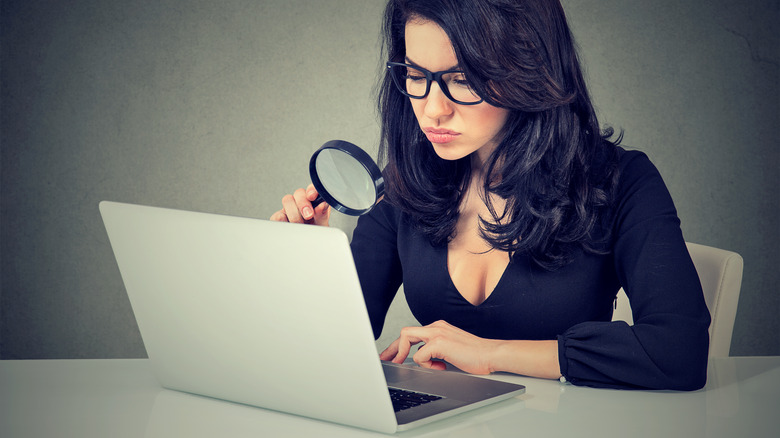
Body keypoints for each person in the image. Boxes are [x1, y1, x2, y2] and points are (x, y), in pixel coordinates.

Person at [270, 0, 711, 390]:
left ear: (528, 69)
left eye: (462, 79)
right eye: (415, 75)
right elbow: (333, 349)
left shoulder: (620, 179)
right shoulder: (404, 182)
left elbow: (679, 350)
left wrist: (491, 353)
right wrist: (313, 266)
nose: (432, 108)